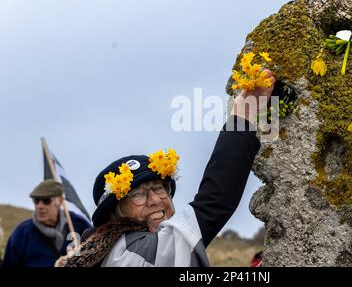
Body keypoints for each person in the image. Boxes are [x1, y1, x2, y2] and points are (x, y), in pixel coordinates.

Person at [56, 70, 275, 267]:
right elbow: (214, 204)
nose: (154, 200)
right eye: (137, 194)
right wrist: (243, 118)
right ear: (115, 213)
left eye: (159, 188)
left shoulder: (111, 253)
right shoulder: (132, 253)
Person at [1, 179, 92, 267]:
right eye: (36, 201)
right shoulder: (22, 234)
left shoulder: (80, 225)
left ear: (60, 201)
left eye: (46, 201)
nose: (40, 206)